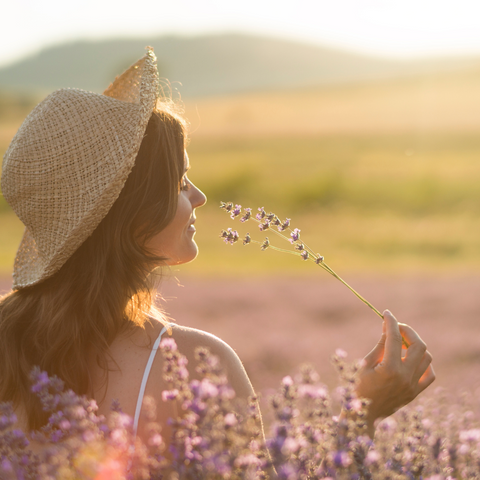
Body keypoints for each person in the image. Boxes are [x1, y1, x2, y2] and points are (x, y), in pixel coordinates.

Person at [0, 48, 434, 451]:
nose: (200, 196)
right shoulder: (192, 368)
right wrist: (363, 415)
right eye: (179, 182)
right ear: (130, 213)